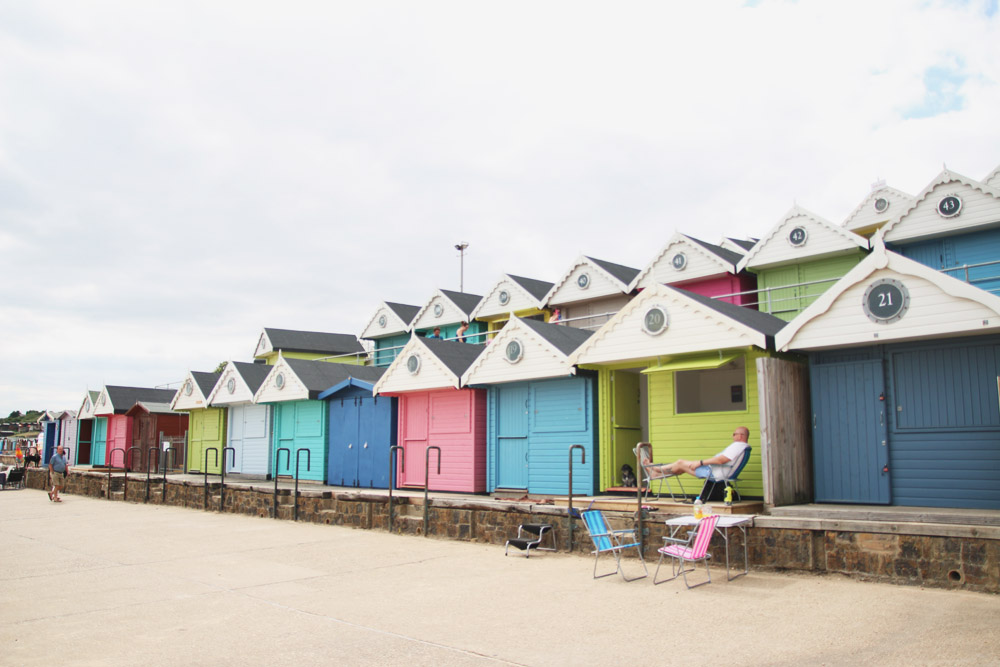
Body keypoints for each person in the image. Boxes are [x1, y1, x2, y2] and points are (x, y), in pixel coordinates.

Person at [651, 426, 750, 480]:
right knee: (682, 467)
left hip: (715, 473)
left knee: (680, 463)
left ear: (740, 436)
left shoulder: (737, 446)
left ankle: (656, 469)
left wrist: (700, 462)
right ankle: (657, 474)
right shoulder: (744, 447)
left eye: (734, 434)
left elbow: (721, 460)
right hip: (721, 472)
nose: (733, 436)